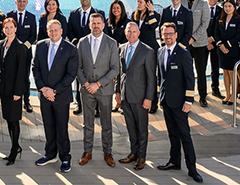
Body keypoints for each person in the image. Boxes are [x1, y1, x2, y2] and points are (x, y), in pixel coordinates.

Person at [156, 22, 202, 183]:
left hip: (180, 102)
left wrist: (189, 101)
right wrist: (160, 96)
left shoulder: (183, 53)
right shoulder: (160, 51)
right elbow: (161, 77)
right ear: (162, 35)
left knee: (185, 136)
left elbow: (190, 79)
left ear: (176, 35)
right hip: (166, 101)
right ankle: (174, 161)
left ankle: (192, 169)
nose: (168, 36)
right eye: (165, 34)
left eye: (170, 33)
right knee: (172, 133)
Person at [33, 19, 79, 173]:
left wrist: (54, 91)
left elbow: (71, 74)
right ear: (47, 32)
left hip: (61, 96)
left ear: (61, 31)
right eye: (51, 30)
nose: (53, 33)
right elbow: (35, 68)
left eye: (56, 30)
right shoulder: (40, 46)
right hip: (45, 95)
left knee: (61, 128)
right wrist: (43, 89)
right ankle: (50, 154)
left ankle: (65, 157)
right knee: (48, 126)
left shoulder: (70, 49)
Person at [76, 12, 120, 167]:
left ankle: (108, 152)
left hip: (105, 90)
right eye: (93, 23)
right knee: (87, 123)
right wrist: (86, 83)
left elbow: (115, 68)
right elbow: (77, 67)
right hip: (87, 90)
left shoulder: (111, 43)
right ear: (90, 25)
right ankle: (87, 151)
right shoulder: (82, 42)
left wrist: (98, 84)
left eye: (98, 23)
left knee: (106, 123)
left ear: (103, 25)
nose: (96, 26)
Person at [115, 21, 156, 170]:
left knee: (142, 129)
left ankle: (142, 156)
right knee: (131, 127)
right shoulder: (121, 48)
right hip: (125, 96)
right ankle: (133, 153)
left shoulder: (147, 51)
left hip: (140, 98)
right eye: (129, 31)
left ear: (138, 33)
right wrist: (117, 91)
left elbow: (151, 78)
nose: (131, 34)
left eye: (134, 31)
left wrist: (149, 98)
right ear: (125, 33)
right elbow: (120, 73)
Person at [0, 17, 28, 165]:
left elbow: (22, 72)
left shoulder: (20, 47)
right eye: (6, 28)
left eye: (11, 27)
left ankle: (14, 150)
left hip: (14, 90)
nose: (9, 30)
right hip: (3, 89)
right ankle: (15, 146)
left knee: (14, 121)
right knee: (8, 119)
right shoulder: (1, 44)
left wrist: (18, 92)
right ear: (3, 30)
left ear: (15, 29)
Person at [181, 0, 211, 107]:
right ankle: (188, 96)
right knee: (186, 72)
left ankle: (203, 97)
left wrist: (193, 38)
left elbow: (205, 23)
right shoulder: (181, 2)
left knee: (201, 72)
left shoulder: (203, 4)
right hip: (185, 44)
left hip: (200, 44)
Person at [7, 0, 36, 113]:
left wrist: (24, 47)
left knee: (25, 78)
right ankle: (12, 100)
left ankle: (26, 101)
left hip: (25, 53)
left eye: (24, 1)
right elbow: (7, 32)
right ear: (16, 2)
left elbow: (33, 36)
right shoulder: (9, 15)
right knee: (11, 76)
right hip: (11, 53)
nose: (22, 3)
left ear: (27, 3)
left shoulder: (31, 17)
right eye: (19, 1)